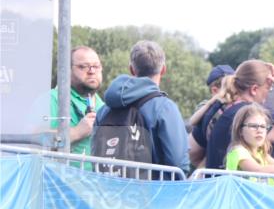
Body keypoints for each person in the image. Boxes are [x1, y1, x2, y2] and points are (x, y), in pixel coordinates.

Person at [95, 40, 190, 174]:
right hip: (153, 191)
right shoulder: (164, 108)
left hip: (110, 189)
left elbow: (95, 154)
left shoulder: (104, 110)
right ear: (163, 69)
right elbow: (178, 162)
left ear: (132, 69)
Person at [201, 60, 274, 170]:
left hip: (216, 183)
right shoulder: (253, 114)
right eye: (268, 88)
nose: (268, 93)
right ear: (254, 89)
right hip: (242, 186)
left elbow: (194, 152)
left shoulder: (217, 109)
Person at [50, 46, 105, 156]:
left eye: (96, 66)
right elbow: (35, 143)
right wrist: (77, 132)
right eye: (83, 66)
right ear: (67, 70)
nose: (92, 71)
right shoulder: (53, 99)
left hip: (97, 173)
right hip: (61, 173)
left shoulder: (105, 106)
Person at [187, 64, 235, 169]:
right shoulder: (206, 105)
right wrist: (212, 102)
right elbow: (192, 121)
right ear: (214, 90)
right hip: (204, 154)